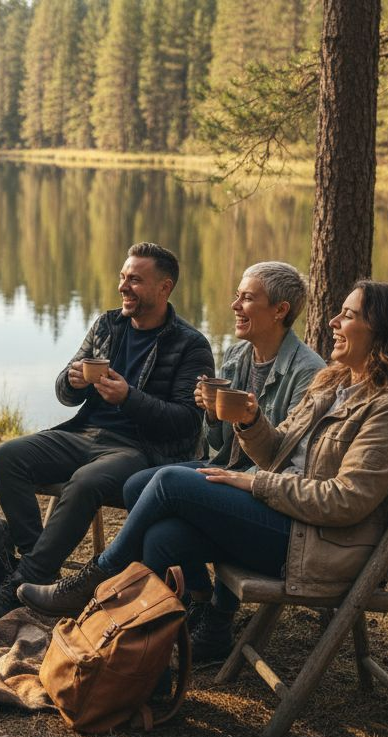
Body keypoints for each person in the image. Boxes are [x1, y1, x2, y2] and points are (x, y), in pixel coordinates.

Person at [17, 282, 388, 662]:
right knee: (162, 534)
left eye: (348, 314)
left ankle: (97, 579)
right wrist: (252, 423)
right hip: (286, 520)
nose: (333, 320)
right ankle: (149, 661)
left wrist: (254, 483)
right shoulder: (333, 384)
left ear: (382, 330)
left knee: (167, 481)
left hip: (316, 545)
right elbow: (276, 454)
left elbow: (345, 502)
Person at [0, 242, 214, 622]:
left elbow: (186, 421)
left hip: (142, 452)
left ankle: (25, 581)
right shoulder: (108, 325)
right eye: (122, 277)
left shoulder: (190, 344)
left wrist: (129, 398)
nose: (123, 286)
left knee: (86, 482)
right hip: (84, 433)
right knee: (9, 456)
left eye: (135, 279)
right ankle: (37, 569)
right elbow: (64, 391)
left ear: (164, 288)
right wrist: (70, 382)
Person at [116, 261, 325, 662]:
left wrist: (245, 428)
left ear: (280, 311)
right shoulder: (237, 355)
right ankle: (198, 598)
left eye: (247, 298)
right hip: (230, 472)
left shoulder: (308, 373)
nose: (235, 305)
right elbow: (218, 447)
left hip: (264, 491)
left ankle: (211, 613)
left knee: (171, 487)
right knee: (135, 487)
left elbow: (286, 460)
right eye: (237, 295)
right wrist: (212, 416)